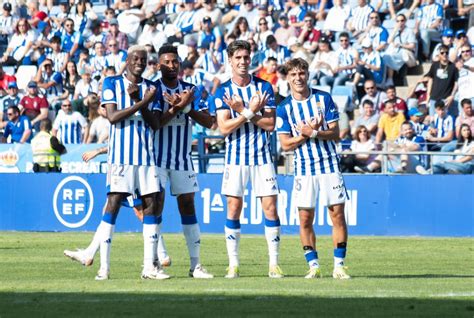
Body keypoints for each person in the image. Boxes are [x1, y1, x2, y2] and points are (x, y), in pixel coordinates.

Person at [74, 45, 164, 281]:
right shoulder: (111, 83)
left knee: (150, 206)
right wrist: (138, 102)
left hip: (145, 157)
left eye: (143, 59)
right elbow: (113, 117)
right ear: (127, 60)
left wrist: (142, 102)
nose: (140, 62)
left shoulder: (152, 88)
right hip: (120, 158)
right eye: (135, 58)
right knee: (112, 204)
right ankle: (104, 268)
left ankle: (148, 267)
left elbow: (155, 124)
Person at [212, 40, 283, 279]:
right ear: (230, 60)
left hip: (263, 158)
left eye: (246, 57)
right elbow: (224, 128)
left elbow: (270, 124)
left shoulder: (264, 87)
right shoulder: (222, 90)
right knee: (234, 208)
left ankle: (274, 264)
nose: (243, 62)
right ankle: (233, 263)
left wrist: (242, 110)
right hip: (236, 159)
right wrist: (251, 112)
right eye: (238, 58)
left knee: (270, 208)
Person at [277, 58, 350, 279]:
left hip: (328, 166)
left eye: (301, 73)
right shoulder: (284, 108)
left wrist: (316, 133)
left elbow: (336, 133)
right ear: (287, 79)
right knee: (305, 219)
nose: (298, 78)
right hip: (304, 169)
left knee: (337, 215)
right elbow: (285, 144)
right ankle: (314, 266)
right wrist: (305, 134)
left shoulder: (323, 99)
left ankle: (338, 265)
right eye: (293, 75)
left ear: (307, 75)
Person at [152, 44, 214, 279]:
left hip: (182, 159)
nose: (171, 65)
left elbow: (209, 122)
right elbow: (154, 122)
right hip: (156, 159)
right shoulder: (152, 89)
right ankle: (153, 263)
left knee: (188, 206)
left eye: (175, 61)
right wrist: (177, 105)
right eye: (166, 62)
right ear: (158, 65)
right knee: (155, 206)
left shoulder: (192, 89)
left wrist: (186, 106)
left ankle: (195, 265)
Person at [64, 146, 172, 269]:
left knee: (142, 213)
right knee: (108, 210)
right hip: (121, 170)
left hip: (127, 170)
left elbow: (119, 142)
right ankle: (89, 253)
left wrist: (97, 151)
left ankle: (162, 255)